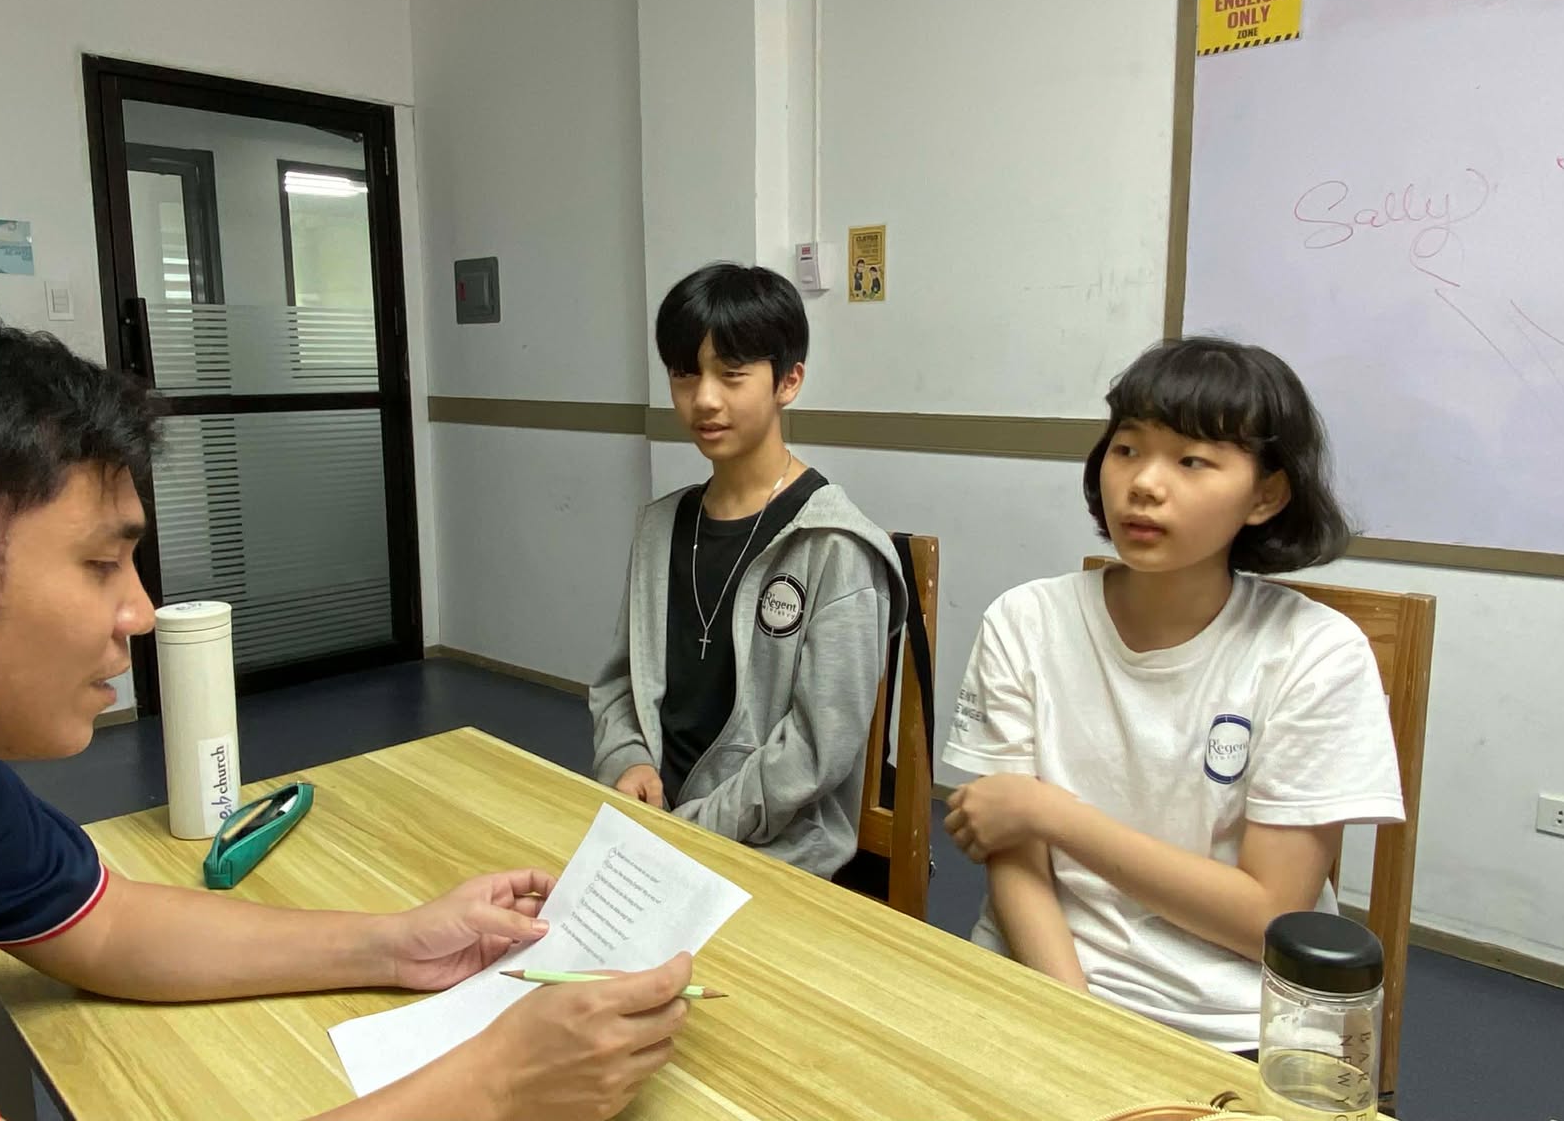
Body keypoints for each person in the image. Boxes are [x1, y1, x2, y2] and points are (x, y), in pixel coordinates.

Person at [0, 299, 690, 1121]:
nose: (140, 613)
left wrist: (398, 943)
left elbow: (102, 925)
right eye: (101, 564)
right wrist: (495, 1085)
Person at [940, 336, 1404, 1053]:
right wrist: (1079, 1025)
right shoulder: (1026, 619)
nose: (1145, 484)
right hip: (1039, 983)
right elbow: (1015, 859)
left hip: (1226, 1023)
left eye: (1191, 461)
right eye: (1127, 449)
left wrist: (1050, 813)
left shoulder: (1314, 652)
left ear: (1266, 495)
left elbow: (1269, 918)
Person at [590, 262, 901, 880]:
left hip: (775, 854)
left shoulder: (833, 546)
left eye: (732, 375)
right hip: (651, 831)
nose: (704, 399)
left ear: (789, 381)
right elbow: (622, 680)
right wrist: (627, 761)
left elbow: (818, 746)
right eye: (685, 374)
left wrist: (694, 831)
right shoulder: (659, 528)